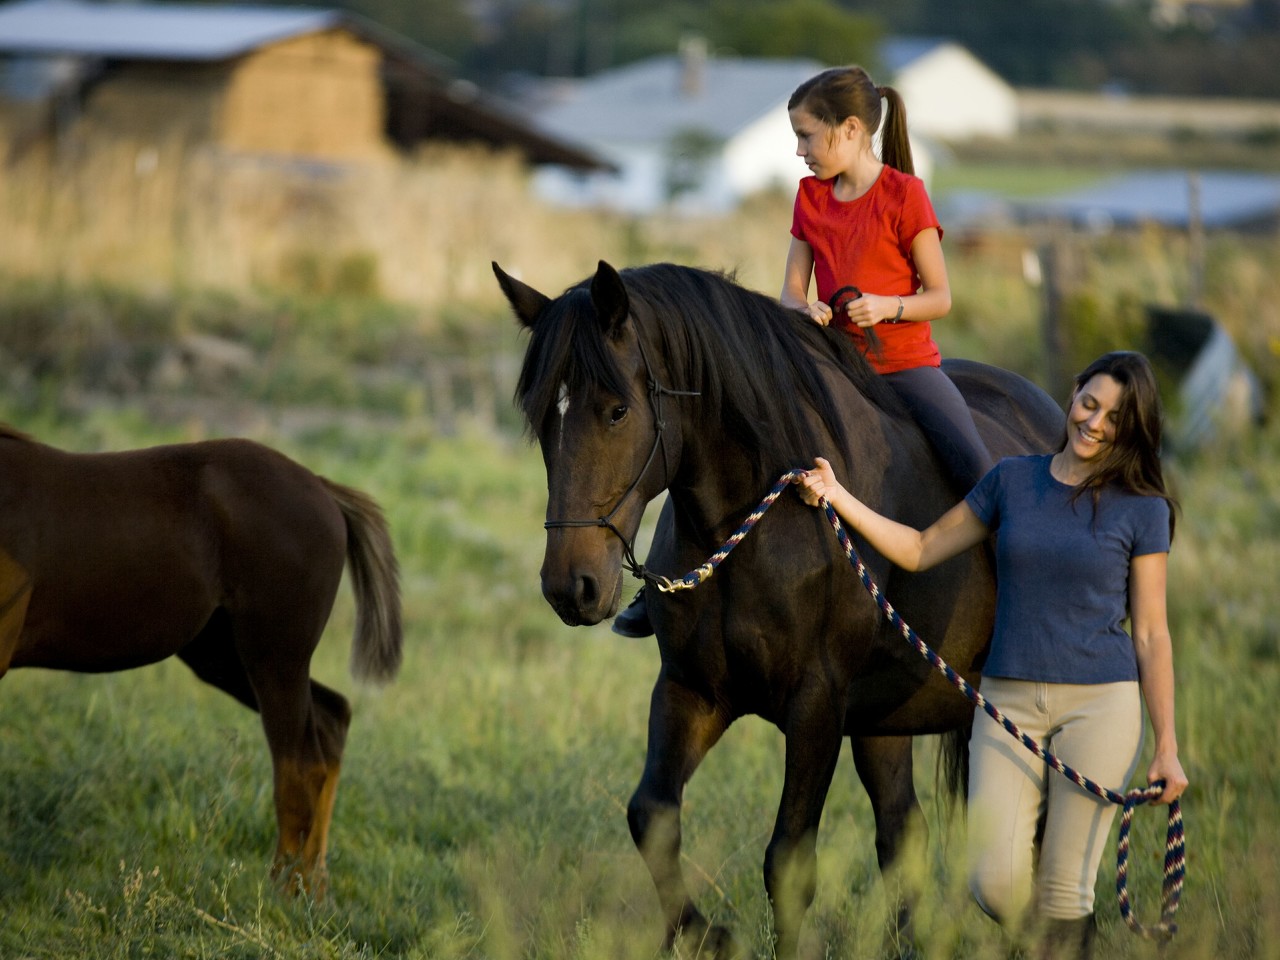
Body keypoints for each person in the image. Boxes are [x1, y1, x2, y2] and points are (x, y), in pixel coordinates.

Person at [794, 351, 1189, 959]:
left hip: (1100, 709)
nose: (1095, 423)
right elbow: (922, 548)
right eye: (1090, 403)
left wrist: (1166, 747)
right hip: (1007, 703)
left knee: (1064, 891)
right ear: (1074, 392)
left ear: (1130, 428)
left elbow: (1151, 635)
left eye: (1114, 417)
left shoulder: (1142, 509)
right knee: (994, 884)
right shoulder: (1013, 480)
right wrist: (838, 495)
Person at [614, 65, 990, 639]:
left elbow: (939, 297)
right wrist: (802, 309)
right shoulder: (810, 197)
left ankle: (1009, 577)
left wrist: (887, 307)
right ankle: (663, 582)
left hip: (905, 366)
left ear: (850, 130)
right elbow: (791, 291)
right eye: (796, 136)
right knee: (721, 435)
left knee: (975, 466)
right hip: (827, 363)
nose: (799, 151)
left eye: (806, 135)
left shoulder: (905, 195)